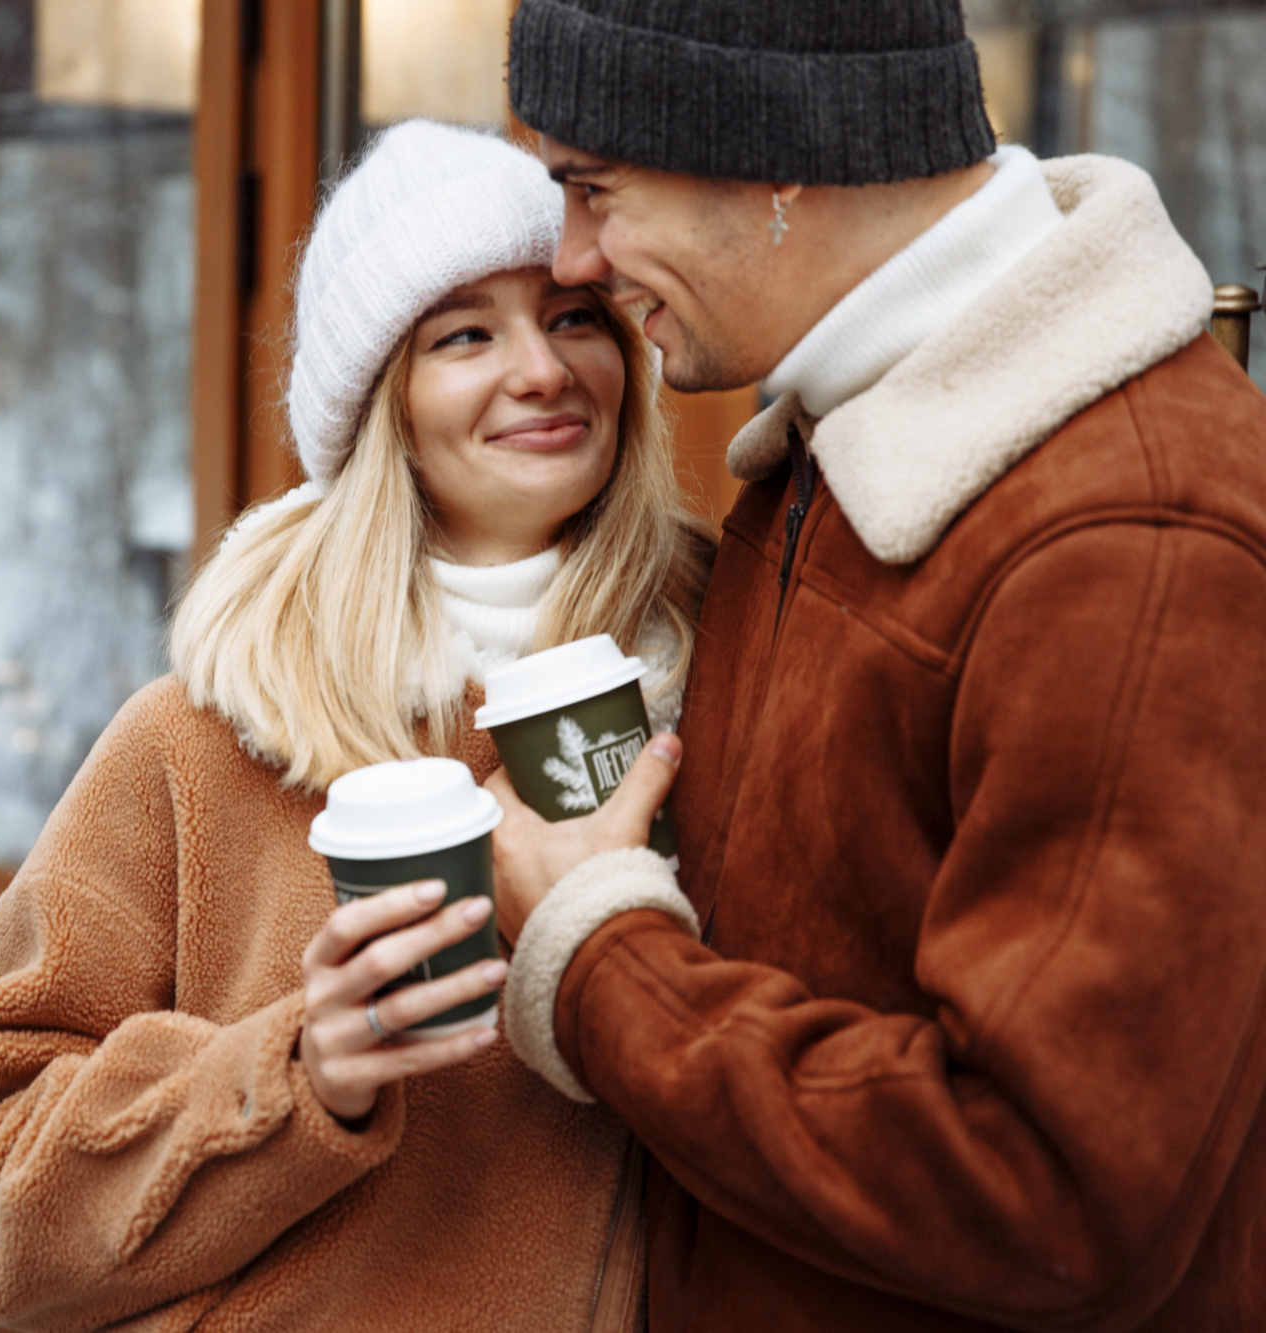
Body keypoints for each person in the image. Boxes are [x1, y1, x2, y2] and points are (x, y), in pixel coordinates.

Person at [485, 1, 1266, 1330]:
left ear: (776, 155)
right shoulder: (844, 446)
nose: (575, 258)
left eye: (593, 188)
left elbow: (1050, 1197)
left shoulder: (1131, 531)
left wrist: (602, 956)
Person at [0, 119, 712, 1331]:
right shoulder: (205, 735)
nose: (542, 369)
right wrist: (299, 1071)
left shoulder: (723, 675)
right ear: (378, 405)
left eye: (571, 317)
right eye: (463, 335)